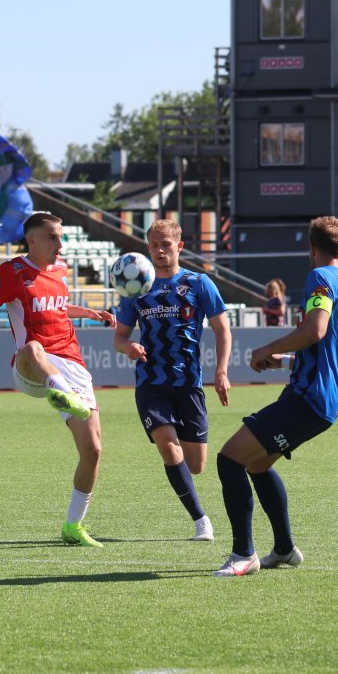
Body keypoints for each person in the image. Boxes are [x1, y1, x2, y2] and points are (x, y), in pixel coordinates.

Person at [0, 212, 117, 547]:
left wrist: (90, 313)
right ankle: (61, 392)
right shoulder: (11, 272)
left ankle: (73, 526)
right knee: (33, 346)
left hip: (71, 364)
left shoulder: (61, 269)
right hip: (31, 367)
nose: (60, 243)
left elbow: (58, 307)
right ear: (32, 240)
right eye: (53, 237)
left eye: (61, 236)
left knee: (93, 450)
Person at [214, 216, 338, 577]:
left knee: (229, 459)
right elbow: (329, 355)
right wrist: (283, 360)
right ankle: (284, 549)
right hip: (325, 400)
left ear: (312, 249)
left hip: (308, 399)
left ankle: (243, 554)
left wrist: (266, 347)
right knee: (257, 464)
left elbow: (316, 330)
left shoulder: (321, 278)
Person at [112, 220, 232, 542]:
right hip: (151, 382)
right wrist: (128, 347)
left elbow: (222, 329)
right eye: (154, 245)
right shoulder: (136, 287)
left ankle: (182, 467)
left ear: (179, 246)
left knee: (196, 465)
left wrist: (221, 371)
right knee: (167, 446)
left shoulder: (198, 283)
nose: (159, 250)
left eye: (165, 244)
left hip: (189, 383)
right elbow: (119, 338)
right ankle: (201, 520)